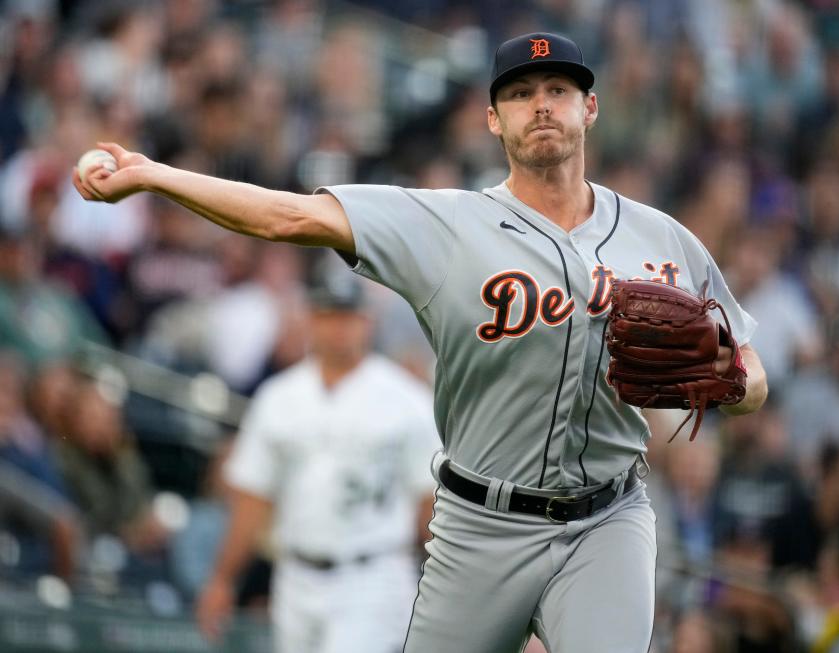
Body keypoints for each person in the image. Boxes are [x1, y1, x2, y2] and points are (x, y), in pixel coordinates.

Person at [74, 31, 767, 652]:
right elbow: (290, 217)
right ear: (494, 120)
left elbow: (751, 375)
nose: (542, 105)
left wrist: (730, 376)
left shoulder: (661, 237)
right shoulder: (445, 224)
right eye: (520, 95)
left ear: (590, 108)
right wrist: (155, 176)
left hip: (609, 517)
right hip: (481, 524)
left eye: (559, 89)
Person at [194, 276, 439, 653]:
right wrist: (223, 580)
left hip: (374, 574)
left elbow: (430, 506)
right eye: (328, 315)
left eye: (348, 316)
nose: (339, 327)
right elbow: (252, 498)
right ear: (310, 319)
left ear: (367, 321)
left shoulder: (406, 400)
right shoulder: (278, 397)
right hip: (295, 573)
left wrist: (446, 588)